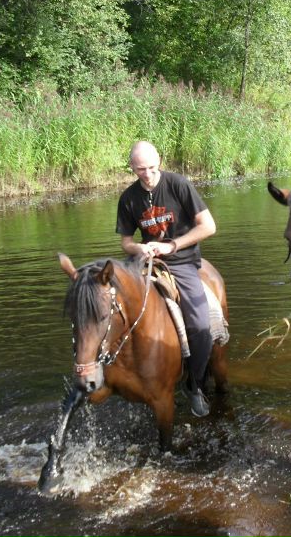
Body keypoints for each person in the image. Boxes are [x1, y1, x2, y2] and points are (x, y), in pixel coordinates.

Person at [116, 141, 216, 417]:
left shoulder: (178, 185)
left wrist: (172, 245)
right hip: (145, 260)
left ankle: (194, 385)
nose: (147, 175)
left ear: (159, 161)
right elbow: (125, 241)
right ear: (131, 168)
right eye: (140, 170)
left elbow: (209, 226)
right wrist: (139, 247)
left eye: (151, 168)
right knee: (110, 305)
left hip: (181, 261)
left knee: (200, 326)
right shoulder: (128, 198)